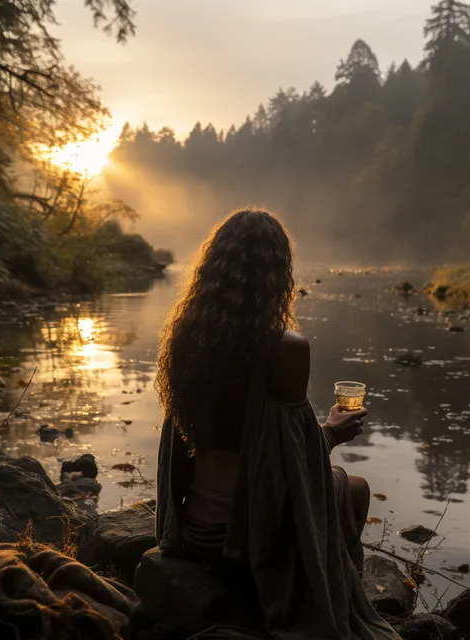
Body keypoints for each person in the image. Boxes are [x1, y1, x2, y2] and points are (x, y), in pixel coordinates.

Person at [155, 210, 399, 640]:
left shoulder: (184, 340)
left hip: (194, 526)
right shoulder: (285, 348)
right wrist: (332, 432)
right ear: (277, 275)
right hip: (250, 533)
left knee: (345, 486)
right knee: (355, 490)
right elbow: (290, 465)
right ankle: (331, 608)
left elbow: (259, 451)